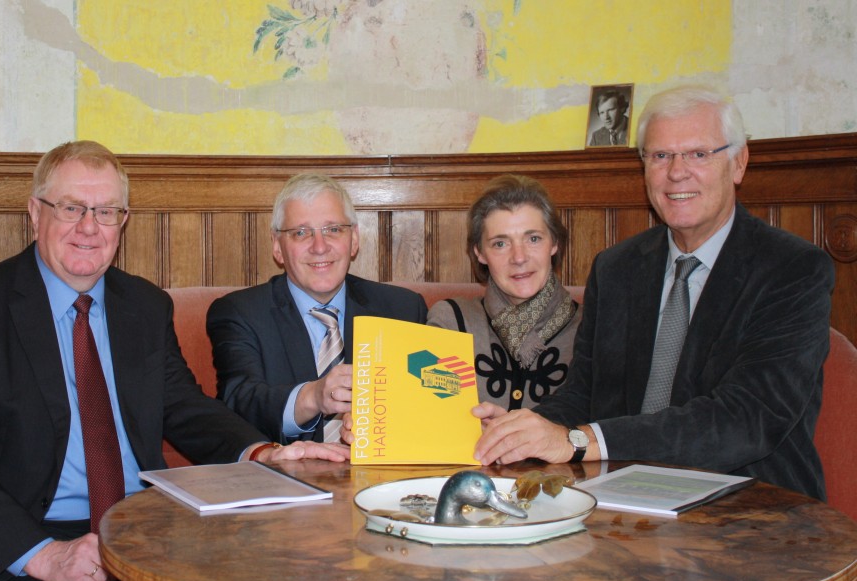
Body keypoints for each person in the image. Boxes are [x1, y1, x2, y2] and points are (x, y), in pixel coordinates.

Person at [0, 141, 349, 581]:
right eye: (71, 208)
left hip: (141, 528)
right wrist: (43, 556)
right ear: (35, 213)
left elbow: (184, 408)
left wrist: (266, 454)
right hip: (25, 541)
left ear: (123, 221)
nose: (89, 227)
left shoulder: (142, 305)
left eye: (106, 212)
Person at [474, 85, 834, 500]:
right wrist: (520, 431)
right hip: (620, 503)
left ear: (738, 163)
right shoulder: (617, 268)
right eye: (660, 156)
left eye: (699, 154)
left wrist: (578, 441)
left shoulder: (792, 270)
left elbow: (747, 418)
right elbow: (584, 395)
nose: (677, 172)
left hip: (750, 508)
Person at [207, 173, 428, 444]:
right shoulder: (240, 313)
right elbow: (240, 403)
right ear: (278, 247)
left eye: (333, 229)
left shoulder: (403, 309)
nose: (320, 247)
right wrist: (313, 396)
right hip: (287, 479)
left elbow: (426, 406)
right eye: (301, 233)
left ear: (354, 240)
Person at [427, 175, 581, 410]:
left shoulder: (590, 327)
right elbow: (432, 413)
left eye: (533, 239)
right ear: (479, 253)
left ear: (554, 243)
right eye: (500, 243)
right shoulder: (452, 322)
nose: (519, 257)